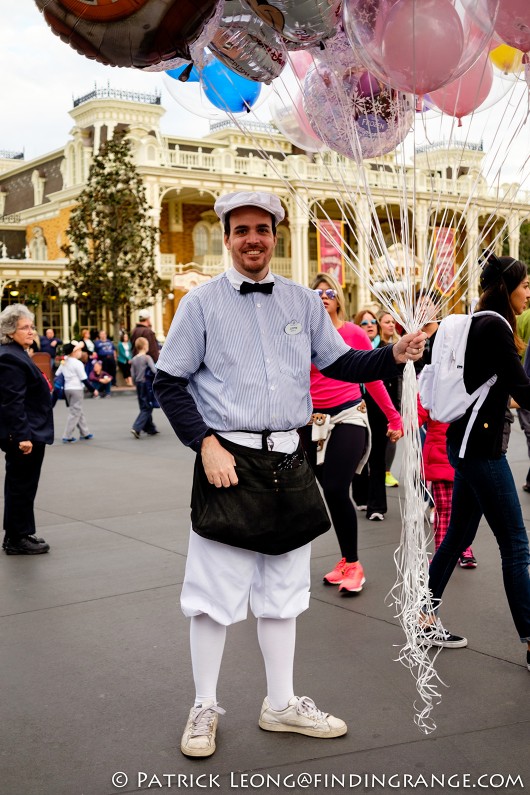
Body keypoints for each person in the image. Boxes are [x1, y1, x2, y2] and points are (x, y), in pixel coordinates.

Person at [153, 190, 426, 758]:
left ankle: (281, 703)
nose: (253, 239)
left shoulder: (303, 302)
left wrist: (392, 352)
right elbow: (170, 381)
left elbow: (341, 363)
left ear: (274, 236)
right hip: (227, 460)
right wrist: (204, 444)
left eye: (263, 229)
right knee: (212, 594)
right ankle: (204, 705)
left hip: (291, 459)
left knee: (283, 592)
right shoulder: (200, 305)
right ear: (227, 236)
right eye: (242, 230)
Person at [424, 253, 530, 667]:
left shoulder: (476, 320)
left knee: (458, 537)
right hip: (480, 450)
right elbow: (522, 388)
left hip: (465, 444)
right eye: (524, 285)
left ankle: (423, 613)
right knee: (516, 545)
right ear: (507, 286)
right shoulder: (496, 327)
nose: (528, 293)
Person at [299, 274, 402, 594]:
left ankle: (355, 565)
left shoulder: (353, 332)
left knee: (335, 484)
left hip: (348, 416)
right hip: (311, 422)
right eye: (316, 293)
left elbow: (371, 377)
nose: (323, 296)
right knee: (330, 493)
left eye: (329, 292)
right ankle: (346, 559)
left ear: (339, 298)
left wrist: (393, 415)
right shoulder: (302, 335)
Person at [0, 305, 53, 555]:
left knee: (23, 485)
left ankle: (19, 533)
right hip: (25, 434)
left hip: (29, 431)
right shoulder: (10, 357)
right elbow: (12, 401)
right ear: (10, 331)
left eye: (31, 326)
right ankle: (17, 538)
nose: (31, 331)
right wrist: (22, 436)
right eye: (25, 327)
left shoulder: (16, 353)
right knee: (21, 486)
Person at [351, 309, 400, 521]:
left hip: (379, 411)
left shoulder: (385, 350)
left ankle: (377, 506)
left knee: (378, 457)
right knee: (358, 455)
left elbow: (393, 383)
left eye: (373, 322)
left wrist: (394, 414)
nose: (370, 325)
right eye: (364, 323)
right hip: (356, 409)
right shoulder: (349, 350)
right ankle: (361, 497)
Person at [417, 397, 477, 568]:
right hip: (439, 454)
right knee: (443, 507)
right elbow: (419, 411)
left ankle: (464, 548)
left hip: (464, 452)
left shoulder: (468, 378)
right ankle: (443, 553)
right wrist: (400, 425)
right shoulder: (432, 379)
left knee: (464, 508)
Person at [55, 341, 98, 443]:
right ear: (74, 352)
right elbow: (84, 379)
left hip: (67, 389)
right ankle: (67, 435)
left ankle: (85, 432)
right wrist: (93, 389)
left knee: (78, 411)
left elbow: (57, 373)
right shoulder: (78, 363)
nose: (80, 352)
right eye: (79, 350)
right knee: (75, 412)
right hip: (76, 389)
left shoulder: (64, 361)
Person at [378, 309, 402, 488]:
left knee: (391, 436)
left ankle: (386, 471)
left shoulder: (398, 345)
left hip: (394, 397)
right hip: (378, 397)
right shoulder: (376, 347)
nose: (391, 325)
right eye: (387, 321)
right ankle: (376, 470)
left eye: (393, 322)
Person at [130, 337, 158, 439]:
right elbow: (154, 370)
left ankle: (150, 428)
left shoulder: (133, 359)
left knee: (143, 405)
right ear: (145, 346)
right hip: (146, 383)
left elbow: (132, 374)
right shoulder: (147, 358)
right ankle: (136, 427)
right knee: (147, 407)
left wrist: (134, 382)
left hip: (138, 383)